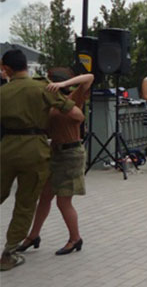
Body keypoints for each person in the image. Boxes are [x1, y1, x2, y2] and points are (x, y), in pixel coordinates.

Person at [0, 49, 84, 271]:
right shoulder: (41, 88)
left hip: (7, 148)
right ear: (26, 66)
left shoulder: (3, 92)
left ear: (6, 68)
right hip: (35, 150)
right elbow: (76, 114)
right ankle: (8, 254)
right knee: (26, 202)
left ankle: (31, 238)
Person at [17, 70, 94, 257]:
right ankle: (33, 236)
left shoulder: (72, 99)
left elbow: (89, 77)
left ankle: (75, 238)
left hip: (71, 153)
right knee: (44, 196)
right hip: (55, 153)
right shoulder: (48, 104)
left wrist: (64, 84)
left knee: (63, 201)